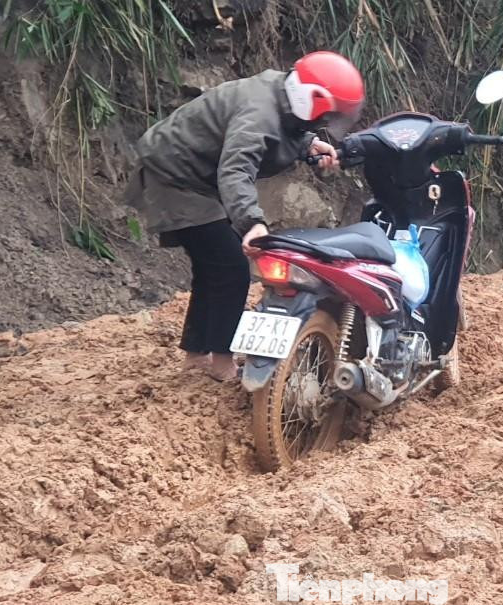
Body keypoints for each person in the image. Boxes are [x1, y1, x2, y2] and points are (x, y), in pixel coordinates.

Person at [125, 52, 365, 381]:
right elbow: (236, 169)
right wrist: (252, 222)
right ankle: (222, 361)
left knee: (214, 267)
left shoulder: (281, 96)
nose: (328, 122)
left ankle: (197, 355)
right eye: (328, 113)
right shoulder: (259, 113)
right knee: (231, 268)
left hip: (196, 178)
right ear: (312, 99)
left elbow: (287, 127)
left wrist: (308, 145)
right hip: (172, 177)